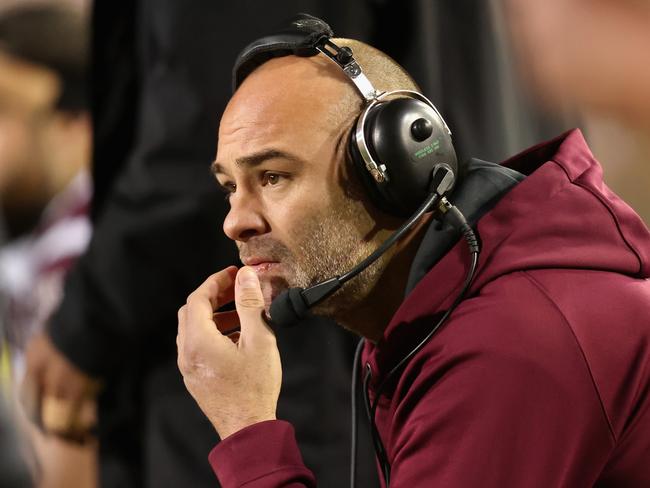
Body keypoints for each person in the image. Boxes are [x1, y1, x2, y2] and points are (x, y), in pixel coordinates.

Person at [177, 15, 650, 487]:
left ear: (396, 170)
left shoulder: (508, 343)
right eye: (229, 188)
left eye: (273, 177)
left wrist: (247, 427)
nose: (235, 221)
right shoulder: (420, 329)